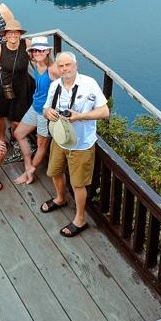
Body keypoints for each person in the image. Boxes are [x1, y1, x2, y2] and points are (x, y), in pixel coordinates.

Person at [40, 52, 109, 236]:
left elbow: (104, 111)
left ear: (75, 65)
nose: (65, 69)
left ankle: (80, 219)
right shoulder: (55, 86)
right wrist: (48, 113)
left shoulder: (89, 84)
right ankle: (60, 198)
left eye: (68, 65)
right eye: (61, 66)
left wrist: (80, 116)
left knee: (78, 184)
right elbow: (46, 108)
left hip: (81, 144)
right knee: (54, 172)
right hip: (59, 139)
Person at [0, 18, 33, 168]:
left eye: (16, 32)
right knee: (0, 114)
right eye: (10, 32)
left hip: (21, 86)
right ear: (5, 35)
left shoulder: (27, 44)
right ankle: (2, 138)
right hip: (2, 85)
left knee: (17, 120)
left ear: (20, 34)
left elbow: (37, 61)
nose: (13, 35)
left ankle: (15, 136)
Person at [14, 36, 59, 185]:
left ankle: (29, 173)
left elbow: (69, 84)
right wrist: (18, 36)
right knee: (18, 133)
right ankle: (28, 166)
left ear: (47, 51)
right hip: (35, 107)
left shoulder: (53, 69)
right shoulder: (35, 62)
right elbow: (26, 43)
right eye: (35, 50)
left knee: (41, 145)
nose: (37, 52)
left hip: (45, 113)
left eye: (41, 50)